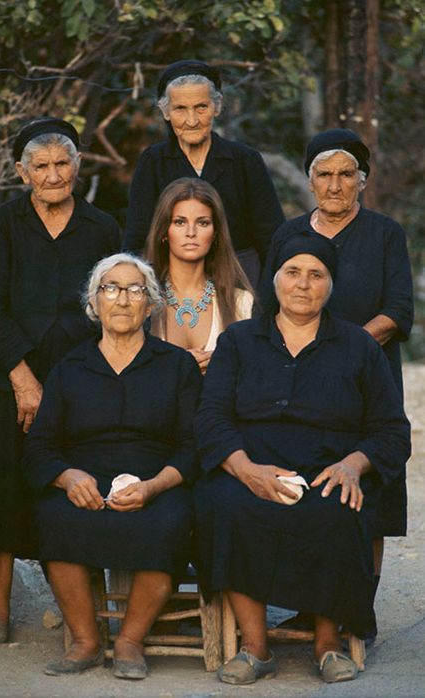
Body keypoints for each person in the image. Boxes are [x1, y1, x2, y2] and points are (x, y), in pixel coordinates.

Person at [194, 233, 410, 686]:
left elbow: (391, 431)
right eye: (292, 272)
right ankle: (255, 649)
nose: (303, 284)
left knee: (338, 509)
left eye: (317, 275)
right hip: (250, 470)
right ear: (274, 280)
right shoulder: (239, 341)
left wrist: (355, 464)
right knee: (225, 506)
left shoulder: (358, 346)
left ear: (331, 285)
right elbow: (210, 419)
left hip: (327, 472)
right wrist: (245, 469)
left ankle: (327, 644)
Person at [0, 117, 120, 645]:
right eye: (41, 166)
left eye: (62, 163)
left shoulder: (102, 227)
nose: (53, 175)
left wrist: (62, 380)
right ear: (22, 172)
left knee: (79, 489)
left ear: (78, 165)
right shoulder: (3, 223)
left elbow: (105, 305)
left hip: (76, 375)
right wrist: (25, 379)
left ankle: (82, 618)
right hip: (6, 375)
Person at [258, 128, 414, 621]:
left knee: (369, 497)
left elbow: (398, 311)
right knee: (310, 484)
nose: (335, 185)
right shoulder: (288, 235)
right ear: (309, 181)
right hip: (299, 378)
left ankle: (358, 609)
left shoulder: (385, 233)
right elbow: (269, 306)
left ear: (362, 181)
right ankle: (313, 605)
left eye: (346, 174)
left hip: (370, 377)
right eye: (324, 175)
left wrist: (349, 349)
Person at [23, 254, 202, 679]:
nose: (122, 299)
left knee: (173, 521)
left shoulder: (176, 366)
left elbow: (195, 446)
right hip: (86, 483)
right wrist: (68, 477)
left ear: (151, 304)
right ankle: (86, 641)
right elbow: (40, 447)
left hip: (156, 483)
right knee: (52, 514)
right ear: (94, 303)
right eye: (111, 288)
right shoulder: (70, 368)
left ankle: (130, 641)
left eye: (135, 289)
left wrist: (155, 487)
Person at [123, 59, 285, 285]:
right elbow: (137, 237)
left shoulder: (244, 160)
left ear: (216, 107)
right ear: (166, 112)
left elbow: (271, 236)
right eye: (180, 108)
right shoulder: (153, 161)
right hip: (172, 283)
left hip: (241, 279)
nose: (192, 121)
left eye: (201, 107)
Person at [144, 177, 254, 374]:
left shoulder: (241, 303)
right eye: (179, 222)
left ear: (216, 233)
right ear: (164, 232)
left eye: (202, 223)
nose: (191, 232)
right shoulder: (140, 300)